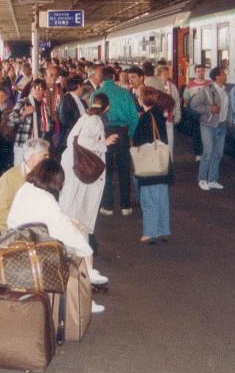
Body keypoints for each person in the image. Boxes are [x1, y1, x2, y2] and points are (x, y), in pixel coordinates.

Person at [6, 160, 105, 313]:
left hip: (16, 245)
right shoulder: (46, 199)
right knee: (79, 250)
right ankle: (85, 299)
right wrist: (87, 251)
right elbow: (64, 230)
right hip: (38, 252)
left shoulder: (26, 189)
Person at [59, 92, 117, 265]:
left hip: (73, 166)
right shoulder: (95, 121)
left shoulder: (84, 117)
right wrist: (103, 144)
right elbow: (84, 143)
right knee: (79, 210)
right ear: (107, 108)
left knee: (71, 206)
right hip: (82, 171)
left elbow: (71, 140)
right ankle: (77, 254)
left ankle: (71, 250)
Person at [90, 65, 139, 216]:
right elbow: (134, 117)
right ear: (114, 77)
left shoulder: (96, 94)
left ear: (102, 77)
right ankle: (125, 206)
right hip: (122, 133)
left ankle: (107, 205)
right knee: (124, 169)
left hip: (104, 133)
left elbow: (92, 117)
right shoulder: (125, 93)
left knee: (106, 169)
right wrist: (129, 133)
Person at [133, 87, 174, 245]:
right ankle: (164, 230)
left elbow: (137, 140)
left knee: (149, 199)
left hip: (149, 165)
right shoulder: (159, 114)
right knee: (162, 199)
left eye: (139, 97)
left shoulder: (146, 117)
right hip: (162, 163)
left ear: (143, 100)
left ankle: (150, 233)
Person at [0, 137, 49, 234]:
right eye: (45, 156)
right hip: (17, 231)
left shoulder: (45, 175)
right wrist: (14, 233)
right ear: (32, 158)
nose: (48, 159)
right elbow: (0, 210)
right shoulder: (10, 178)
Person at [190, 66, 229, 190]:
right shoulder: (206, 90)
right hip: (208, 125)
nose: (225, 75)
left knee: (218, 153)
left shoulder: (224, 90)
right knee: (208, 152)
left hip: (221, 125)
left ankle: (212, 179)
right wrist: (208, 109)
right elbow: (193, 104)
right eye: (223, 73)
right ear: (217, 76)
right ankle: (202, 179)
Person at [7, 78, 54, 166]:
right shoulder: (23, 102)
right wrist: (24, 113)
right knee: (20, 171)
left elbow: (49, 127)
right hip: (23, 144)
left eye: (40, 88)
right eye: (35, 88)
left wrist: (50, 122)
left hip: (38, 145)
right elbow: (10, 121)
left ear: (44, 91)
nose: (37, 90)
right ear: (31, 89)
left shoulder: (45, 108)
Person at [183, 63, 211, 162]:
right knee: (197, 133)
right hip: (195, 114)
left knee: (207, 134)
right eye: (198, 71)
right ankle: (198, 153)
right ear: (195, 73)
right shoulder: (190, 85)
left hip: (207, 113)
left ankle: (207, 153)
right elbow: (186, 100)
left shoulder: (209, 84)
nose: (200, 73)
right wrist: (188, 111)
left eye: (202, 71)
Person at [56, 75, 87, 153]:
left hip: (80, 136)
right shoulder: (66, 100)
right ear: (79, 86)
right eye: (82, 86)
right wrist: (79, 127)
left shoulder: (81, 100)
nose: (83, 89)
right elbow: (64, 120)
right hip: (70, 137)